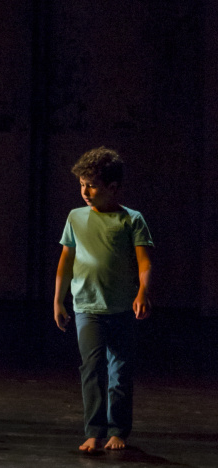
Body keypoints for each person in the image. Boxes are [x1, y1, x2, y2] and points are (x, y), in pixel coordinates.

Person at [53, 147, 153, 452]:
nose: (85, 191)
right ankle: (94, 430)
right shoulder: (75, 217)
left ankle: (117, 430)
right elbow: (65, 261)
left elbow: (144, 263)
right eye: (81, 184)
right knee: (92, 367)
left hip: (121, 308)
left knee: (120, 370)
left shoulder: (131, 220)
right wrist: (58, 300)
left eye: (92, 185)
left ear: (113, 188)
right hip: (86, 307)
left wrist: (143, 293)